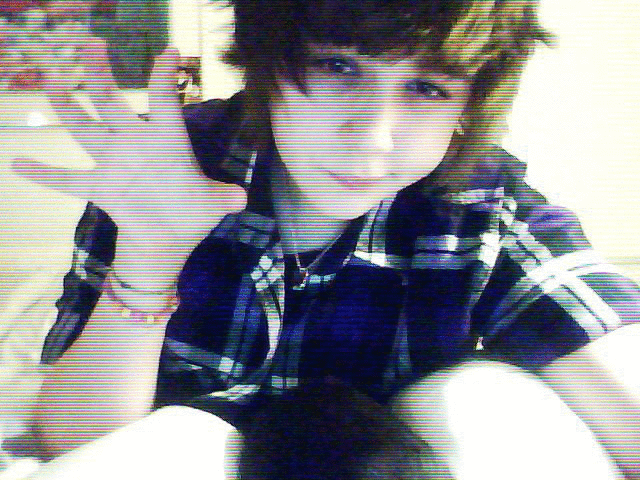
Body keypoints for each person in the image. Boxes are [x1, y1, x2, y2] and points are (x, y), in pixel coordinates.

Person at [12, 0, 640, 476]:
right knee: (183, 435)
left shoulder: (477, 203)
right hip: (191, 449)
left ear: (466, 108)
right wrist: (150, 253)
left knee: (477, 397)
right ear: (267, 67)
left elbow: (615, 369)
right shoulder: (165, 164)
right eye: (338, 66)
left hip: (386, 456)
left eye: (427, 87)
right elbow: (79, 442)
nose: (372, 138)